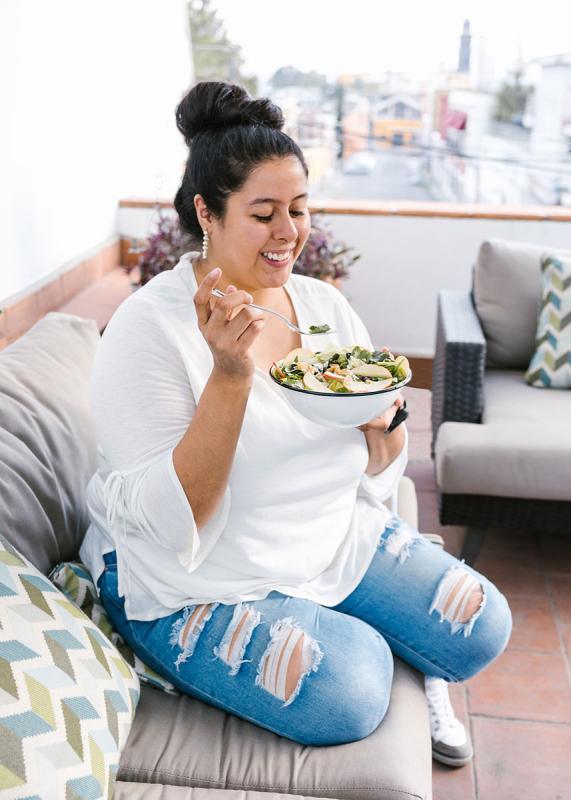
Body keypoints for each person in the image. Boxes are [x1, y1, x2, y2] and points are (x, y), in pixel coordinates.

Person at [79, 82, 512, 764]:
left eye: (300, 209)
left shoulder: (317, 306)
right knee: (350, 688)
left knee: (481, 624)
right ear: (207, 211)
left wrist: (384, 419)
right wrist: (229, 375)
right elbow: (173, 520)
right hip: (200, 577)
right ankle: (363, 648)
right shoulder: (149, 329)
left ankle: (353, 627)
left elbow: (378, 461)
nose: (289, 233)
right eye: (264, 213)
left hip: (328, 539)